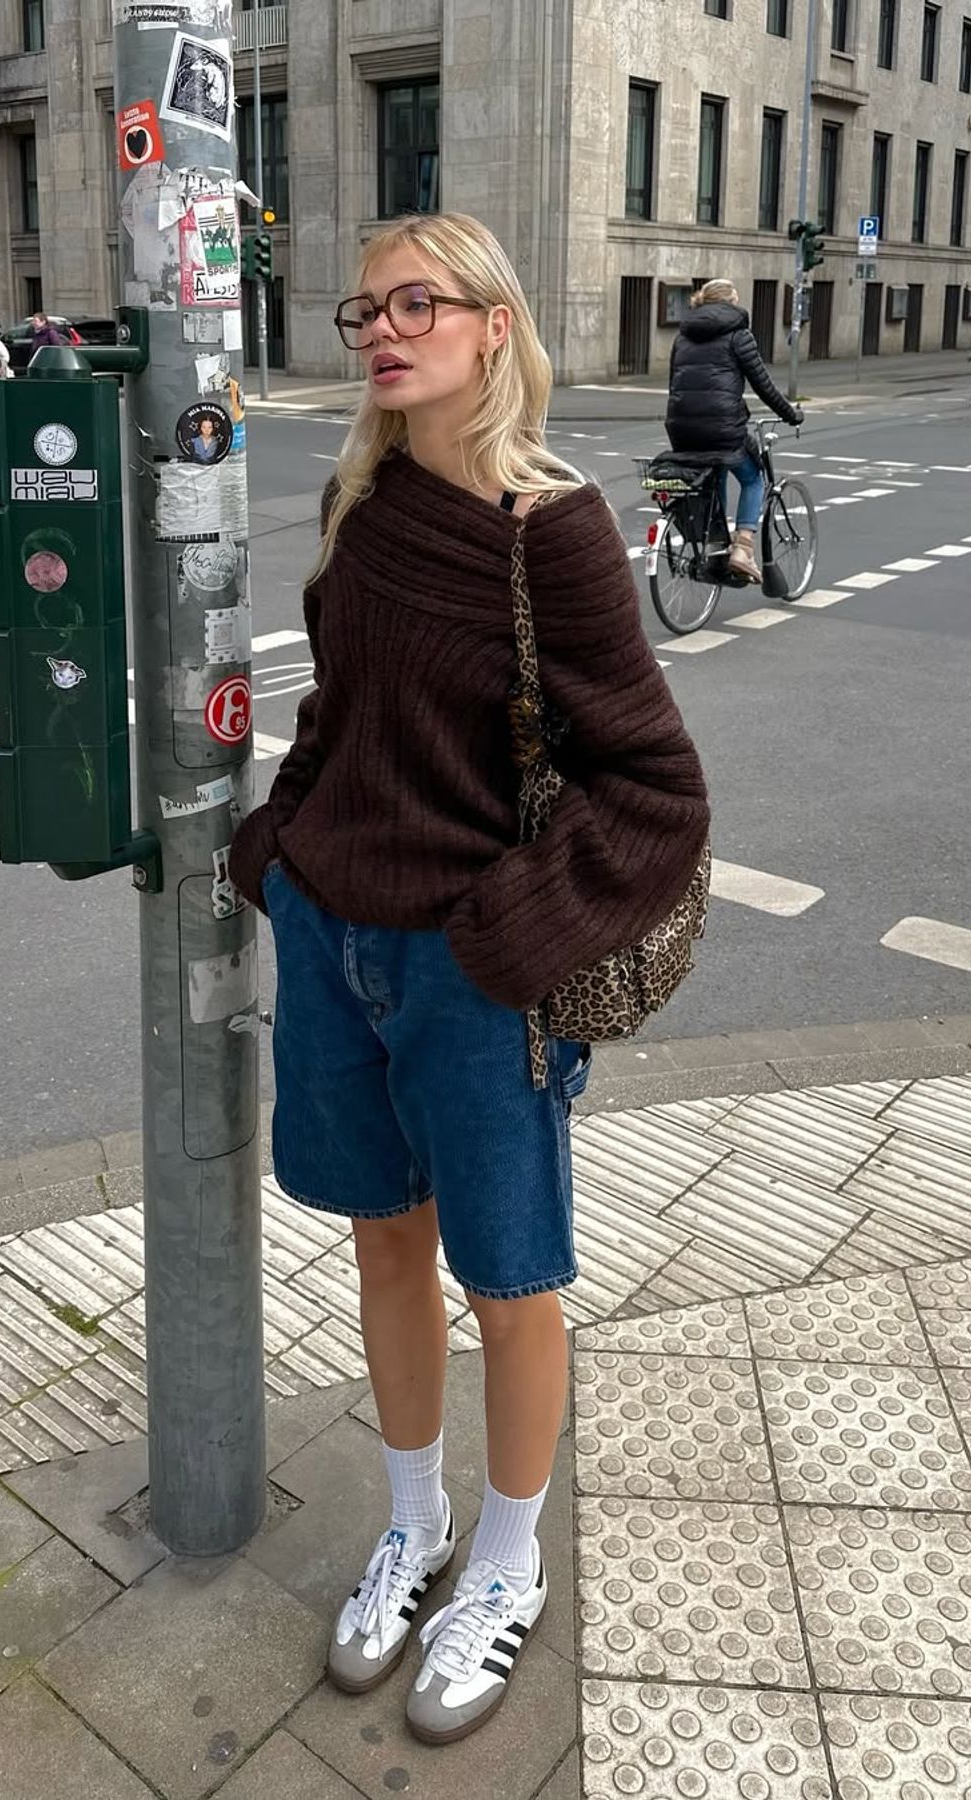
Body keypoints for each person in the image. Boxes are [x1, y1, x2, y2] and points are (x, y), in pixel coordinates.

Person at [229, 213, 709, 1745]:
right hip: (334, 942)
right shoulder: (362, 506)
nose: (380, 330)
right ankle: (415, 1524)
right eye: (364, 307)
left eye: (415, 303)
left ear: (493, 326)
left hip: (471, 974)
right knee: (382, 1253)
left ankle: (510, 1564)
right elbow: (338, 715)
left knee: (508, 1283)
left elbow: (653, 784)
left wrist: (511, 938)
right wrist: (283, 851)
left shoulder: (544, 530)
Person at [665, 278, 802, 582]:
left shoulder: (682, 337)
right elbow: (763, 385)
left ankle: (715, 548)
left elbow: (675, 384)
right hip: (723, 428)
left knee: (715, 472)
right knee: (753, 479)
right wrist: (791, 414)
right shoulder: (739, 335)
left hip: (681, 426)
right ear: (730, 302)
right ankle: (743, 548)